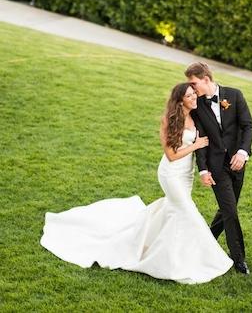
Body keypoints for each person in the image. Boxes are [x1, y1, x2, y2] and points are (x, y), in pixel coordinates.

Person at [41, 82, 233, 282]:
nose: (194, 98)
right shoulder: (169, 120)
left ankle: (158, 247)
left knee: (174, 212)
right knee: (188, 213)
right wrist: (196, 145)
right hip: (171, 174)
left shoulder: (196, 116)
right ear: (180, 100)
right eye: (189, 96)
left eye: (194, 94)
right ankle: (209, 259)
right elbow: (171, 155)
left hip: (186, 175)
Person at [185, 62, 252, 275]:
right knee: (230, 211)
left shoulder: (234, 95)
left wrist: (243, 152)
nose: (192, 88)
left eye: (194, 83)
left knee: (226, 210)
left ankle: (205, 241)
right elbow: (201, 140)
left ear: (206, 79)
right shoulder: (198, 108)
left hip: (238, 163)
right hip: (217, 167)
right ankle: (238, 259)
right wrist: (204, 170)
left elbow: (247, 126)